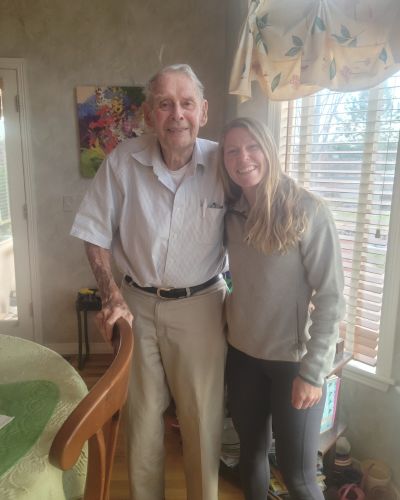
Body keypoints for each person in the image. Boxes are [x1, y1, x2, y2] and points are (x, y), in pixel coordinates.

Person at [71, 64, 227, 500]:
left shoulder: (225, 162)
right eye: (165, 103)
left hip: (202, 307)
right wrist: (111, 295)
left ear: (204, 111)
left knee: (202, 420)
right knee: (140, 419)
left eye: (186, 103)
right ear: (149, 114)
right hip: (136, 304)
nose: (177, 113)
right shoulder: (123, 159)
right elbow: (93, 233)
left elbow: (265, 216)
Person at [218, 117, 345, 500]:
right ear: (224, 160)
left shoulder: (308, 211)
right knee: (251, 460)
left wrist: (313, 372)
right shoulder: (231, 214)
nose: (244, 158)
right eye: (233, 151)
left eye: (252, 147)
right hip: (242, 358)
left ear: (269, 150)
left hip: (293, 364)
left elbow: (331, 298)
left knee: (300, 478)